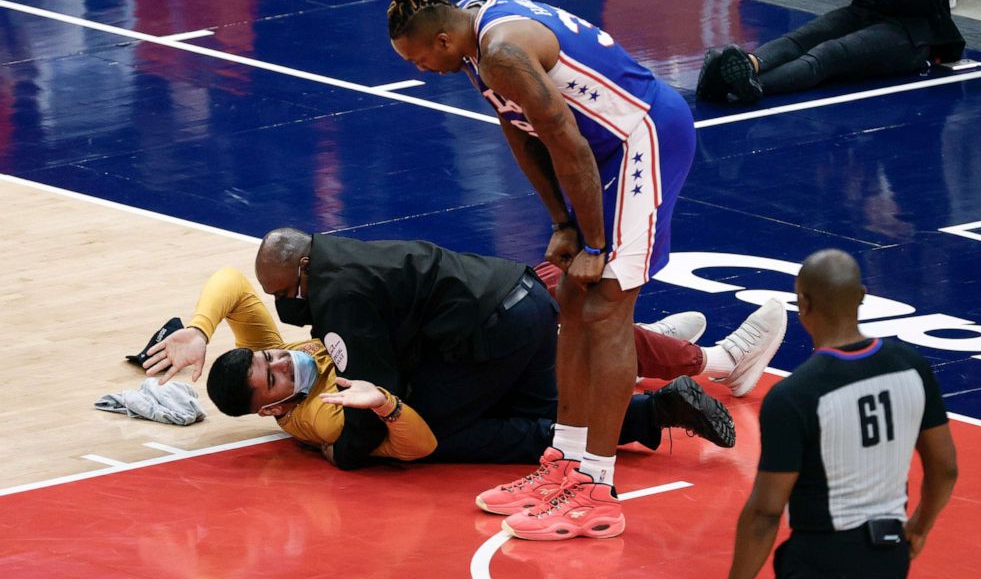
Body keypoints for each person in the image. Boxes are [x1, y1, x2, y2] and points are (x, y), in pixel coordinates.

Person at [383, 0, 787, 540]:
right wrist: (561, 223)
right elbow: (522, 135)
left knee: (605, 309)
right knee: (570, 298)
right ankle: (564, 462)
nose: (423, 69)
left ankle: (597, 487)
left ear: (443, 39)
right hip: (597, 152)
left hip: (640, 140)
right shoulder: (473, 36)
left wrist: (594, 239)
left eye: (421, 59)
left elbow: (566, 140)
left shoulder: (500, 52)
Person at [143, 232, 750, 470]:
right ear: (270, 410)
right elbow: (388, 405)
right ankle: (660, 398)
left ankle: (683, 382)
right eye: (273, 373)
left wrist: (199, 328)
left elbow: (398, 418)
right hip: (513, 295)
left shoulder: (337, 304)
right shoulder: (309, 406)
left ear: (302, 268)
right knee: (549, 403)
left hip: (493, 325)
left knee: (474, 428)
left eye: (270, 355)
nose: (280, 354)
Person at [721, 249, 958, 579]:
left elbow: (765, 513)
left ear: (803, 304)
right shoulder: (912, 366)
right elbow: (946, 468)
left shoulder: (795, 395)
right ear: (862, 296)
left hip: (822, 564)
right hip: (890, 557)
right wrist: (919, 527)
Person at [698, 0, 965, 104]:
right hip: (871, 7)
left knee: (829, 54)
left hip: (917, 31)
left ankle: (747, 84)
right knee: (802, 37)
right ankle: (748, 65)